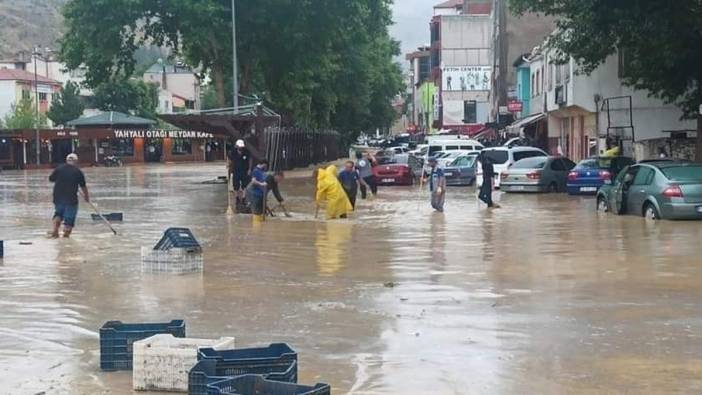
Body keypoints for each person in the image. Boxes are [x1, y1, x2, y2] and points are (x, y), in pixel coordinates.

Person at [49, 153, 89, 238]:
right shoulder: (78, 172)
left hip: (58, 196)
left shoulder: (59, 168)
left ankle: (55, 229)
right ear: (76, 162)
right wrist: (86, 197)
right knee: (69, 218)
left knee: (58, 213)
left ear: (67, 161)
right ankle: (66, 237)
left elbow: (51, 179)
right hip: (71, 198)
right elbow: (83, 186)